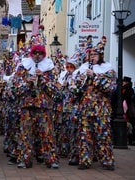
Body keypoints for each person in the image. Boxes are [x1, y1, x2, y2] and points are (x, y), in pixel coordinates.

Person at [69, 37, 116, 170]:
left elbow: (110, 87)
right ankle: (85, 160)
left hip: (101, 108)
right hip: (85, 108)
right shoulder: (83, 68)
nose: (92, 57)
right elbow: (74, 88)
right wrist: (79, 82)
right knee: (85, 135)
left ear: (100, 55)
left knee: (103, 135)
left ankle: (107, 161)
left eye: (95, 55)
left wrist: (94, 76)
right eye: (90, 55)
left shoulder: (108, 69)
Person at [13, 44, 60, 169]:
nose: (37, 55)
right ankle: (25, 159)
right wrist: (28, 82)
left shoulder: (49, 68)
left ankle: (51, 159)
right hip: (27, 105)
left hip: (43, 106)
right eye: (35, 53)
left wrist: (43, 80)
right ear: (31, 54)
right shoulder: (23, 67)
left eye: (40, 53)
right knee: (26, 134)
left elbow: (55, 90)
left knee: (47, 133)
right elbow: (16, 89)